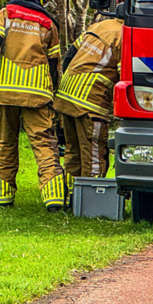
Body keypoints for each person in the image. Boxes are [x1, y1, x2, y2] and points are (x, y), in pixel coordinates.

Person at [0, 0, 67, 211]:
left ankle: (2, 199)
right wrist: (54, 95)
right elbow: (55, 64)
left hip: (4, 93)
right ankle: (54, 200)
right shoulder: (48, 24)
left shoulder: (5, 15)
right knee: (45, 145)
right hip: (37, 95)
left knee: (5, 143)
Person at [53, 15, 123, 183]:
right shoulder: (125, 36)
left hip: (66, 95)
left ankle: (72, 196)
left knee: (73, 150)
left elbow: (69, 57)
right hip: (91, 102)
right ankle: (92, 200)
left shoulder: (98, 26)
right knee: (93, 155)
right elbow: (126, 77)